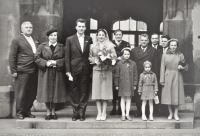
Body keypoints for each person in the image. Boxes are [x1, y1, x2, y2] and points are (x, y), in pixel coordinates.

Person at [9, 21, 39, 120]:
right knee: (21, 93)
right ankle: (19, 113)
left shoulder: (35, 40)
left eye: (30, 27)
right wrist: (13, 70)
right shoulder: (17, 40)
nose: (29, 29)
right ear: (22, 29)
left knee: (32, 93)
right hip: (22, 70)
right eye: (26, 27)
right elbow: (12, 56)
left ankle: (27, 110)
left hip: (35, 70)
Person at [35, 29, 67, 120]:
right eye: (51, 35)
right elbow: (36, 58)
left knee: (55, 91)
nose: (53, 37)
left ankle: (53, 111)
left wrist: (56, 62)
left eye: (55, 35)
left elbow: (65, 58)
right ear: (48, 37)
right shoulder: (42, 46)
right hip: (45, 72)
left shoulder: (62, 47)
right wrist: (46, 63)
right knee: (46, 91)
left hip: (57, 72)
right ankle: (48, 112)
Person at [65, 18, 93, 121]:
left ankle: (82, 113)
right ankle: (75, 112)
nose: (81, 28)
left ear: (85, 28)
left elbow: (91, 54)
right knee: (74, 91)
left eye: (83, 26)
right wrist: (68, 71)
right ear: (76, 27)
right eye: (79, 26)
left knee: (84, 92)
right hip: (73, 69)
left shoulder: (89, 39)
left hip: (85, 69)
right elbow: (67, 56)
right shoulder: (70, 39)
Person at [89, 28, 117, 121]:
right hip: (97, 70)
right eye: (99, 35)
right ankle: (99, 112)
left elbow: (115, 57)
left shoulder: (110, 45)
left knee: (105, 92)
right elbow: (89, 57)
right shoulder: (92, 46)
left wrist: (109, 59)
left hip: (106, 70)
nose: (101, 36)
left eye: (103, 35)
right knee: (97, 92)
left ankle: (104, 112)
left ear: (105, 36)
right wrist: (95, 60)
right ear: (97, 36)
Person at [160, 39, 188, 121]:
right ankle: (170, 113)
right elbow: (162, 67)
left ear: (177, 46)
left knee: (177, 95)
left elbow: (186, 66)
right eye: (171, 45)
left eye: (175, 45)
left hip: (177, 75)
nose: (173, 47)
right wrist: (162, 79)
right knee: (168, 95)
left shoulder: (180, 55)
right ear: (169, 46)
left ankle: (176, 113)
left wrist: (182, 67)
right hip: (168, 76)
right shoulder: (164, 55)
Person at [130, 33, 158, 117]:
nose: (144, 42)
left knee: (149, 94)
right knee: (139, 93)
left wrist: (155, 76)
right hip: (138, 75)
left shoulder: (153, 50)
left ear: (148, 41)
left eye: (145, 40)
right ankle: (139, 111)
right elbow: (132, 65)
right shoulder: (134, 50)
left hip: (149, 76)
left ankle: (149, 112)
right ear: (139, 41)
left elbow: (156, 65)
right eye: (142, 40)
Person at [110, 29, 131, 116]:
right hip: (113, 68)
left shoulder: (126, 44)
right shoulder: (110, 43)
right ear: (114, 35)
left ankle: (120, 108)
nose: (118, 36)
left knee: (121, 87)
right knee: (114, 88)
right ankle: (114, 108)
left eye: (120, 34)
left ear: (122, 35)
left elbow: (129, 55)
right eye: (117, 34)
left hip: (123, 67)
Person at [114, 48, 138, 121]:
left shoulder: (133, 63)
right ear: (122, 55)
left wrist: (134, 84)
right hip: (122, 84)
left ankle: (127, 114)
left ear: (130, 55)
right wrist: (116, 84)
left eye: (128, 54)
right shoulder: (119, 63)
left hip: (130, 84)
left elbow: (135, 75)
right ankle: (123, 114)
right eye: (125, 54)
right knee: (122, 99)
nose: (126, 56)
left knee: (128, 99)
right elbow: (116, 75)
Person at [155, 34, 170, 116]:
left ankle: (167, 111)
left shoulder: (171, 51)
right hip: (159, 74)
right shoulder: (158, 51)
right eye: (162, 41)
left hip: (168, 74)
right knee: (159, 92)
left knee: (167, 92)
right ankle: (159, 110)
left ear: (168, 42)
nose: (163, 43)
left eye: (165, 41)